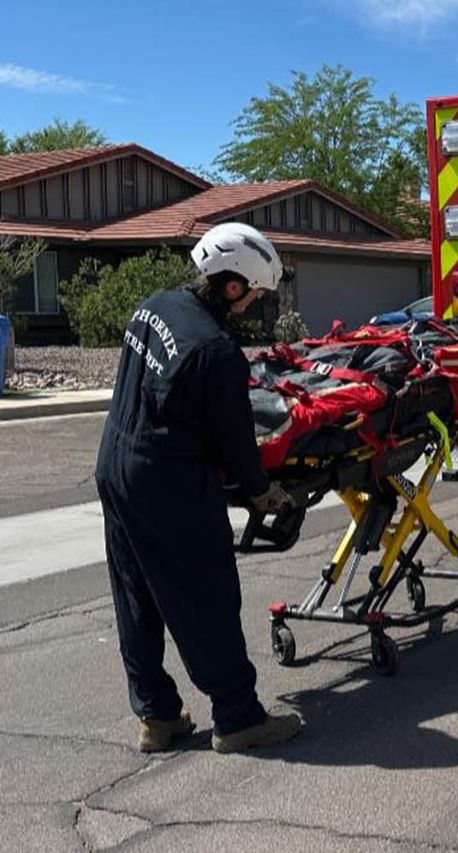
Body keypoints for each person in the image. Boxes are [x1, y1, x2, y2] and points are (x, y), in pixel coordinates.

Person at [96, 222, 303, 753]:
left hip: (115, 461)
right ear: (232, 285)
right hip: (167, 479)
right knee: (206, 593)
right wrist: (265, 493)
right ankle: (238, 718)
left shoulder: (154, 305)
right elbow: (236, 444)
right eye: (255, 292)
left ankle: (158, 717)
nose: (255, 302)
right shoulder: (215, 350)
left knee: (136, 594)